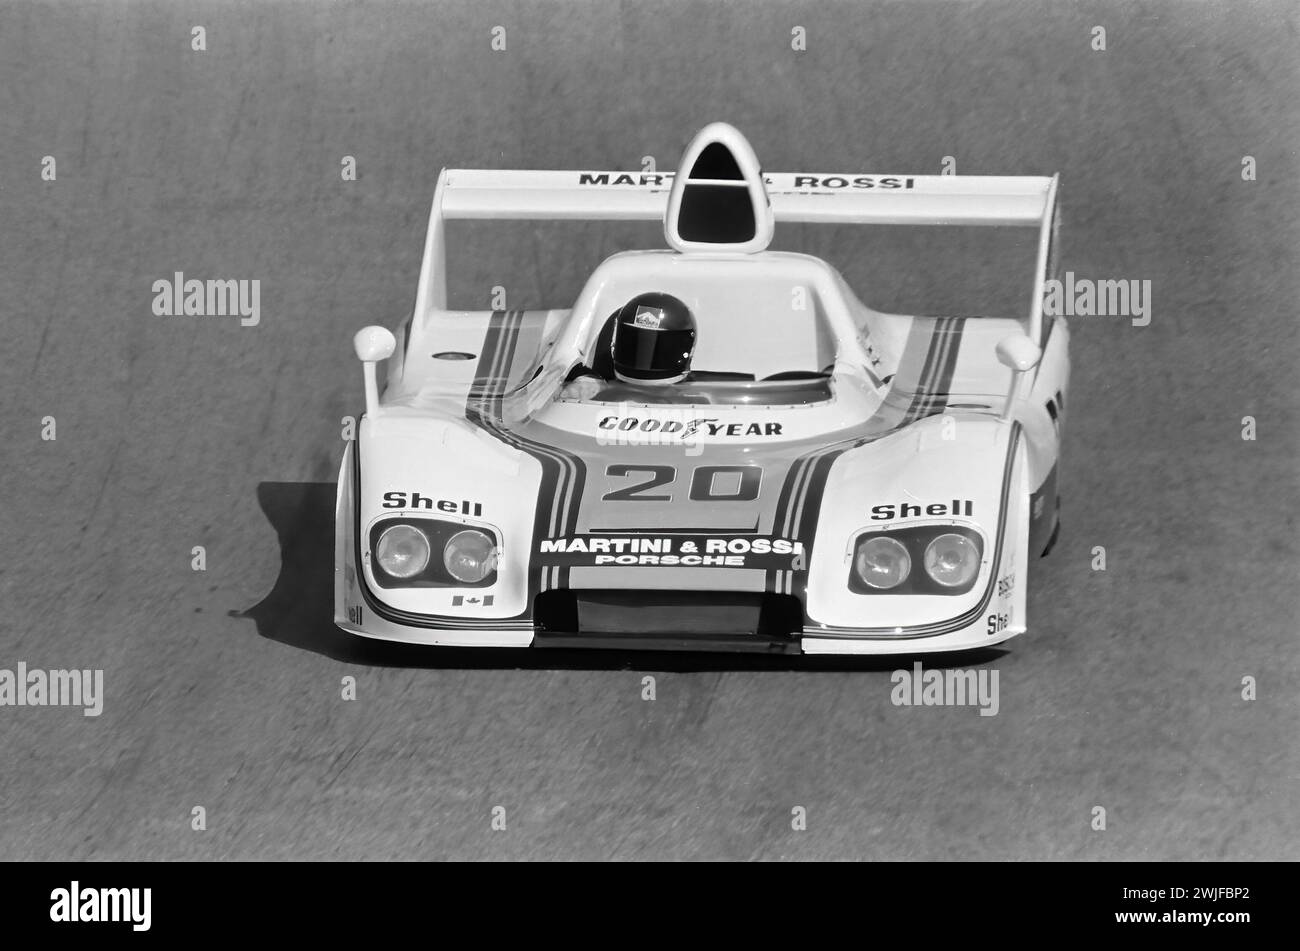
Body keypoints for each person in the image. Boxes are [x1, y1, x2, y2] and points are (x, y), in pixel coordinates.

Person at [561, 292, 698, 401]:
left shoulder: (698, 397)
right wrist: (586, 378)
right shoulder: (598, 381)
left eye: (658, 349)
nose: (643, 355)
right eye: (633, 343)